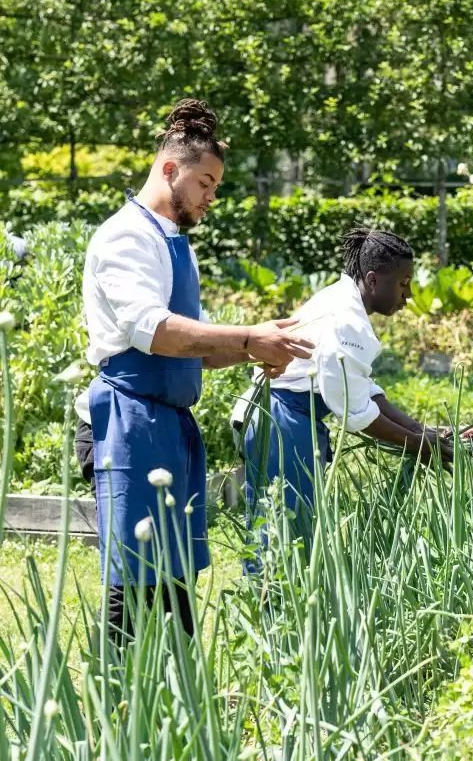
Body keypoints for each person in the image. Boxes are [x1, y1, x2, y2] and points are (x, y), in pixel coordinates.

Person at [81, 98, 313, 637]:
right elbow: (157, 332)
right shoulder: (126, 238)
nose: (211, 197)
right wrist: (250, 338)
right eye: (205, 183)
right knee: (135, 582)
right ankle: (120, 701)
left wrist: (261, 345)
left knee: (174, 578)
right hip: (126, 421)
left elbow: (200, 346)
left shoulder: (172, 243)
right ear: (169, 170)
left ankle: (180, 699)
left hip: (164, 424)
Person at [233, 228, 473, 552]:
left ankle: (276, 601)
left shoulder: (343, 303)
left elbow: (362, 390)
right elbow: (354, 411)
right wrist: (419, 444)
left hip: (284, 416)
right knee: (281, 540)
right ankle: (272, 604)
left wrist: (422, 430)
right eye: (403, 284)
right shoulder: (348, 321)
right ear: (374, 280)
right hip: (283, 422)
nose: (409, 295)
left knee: (284, 532)